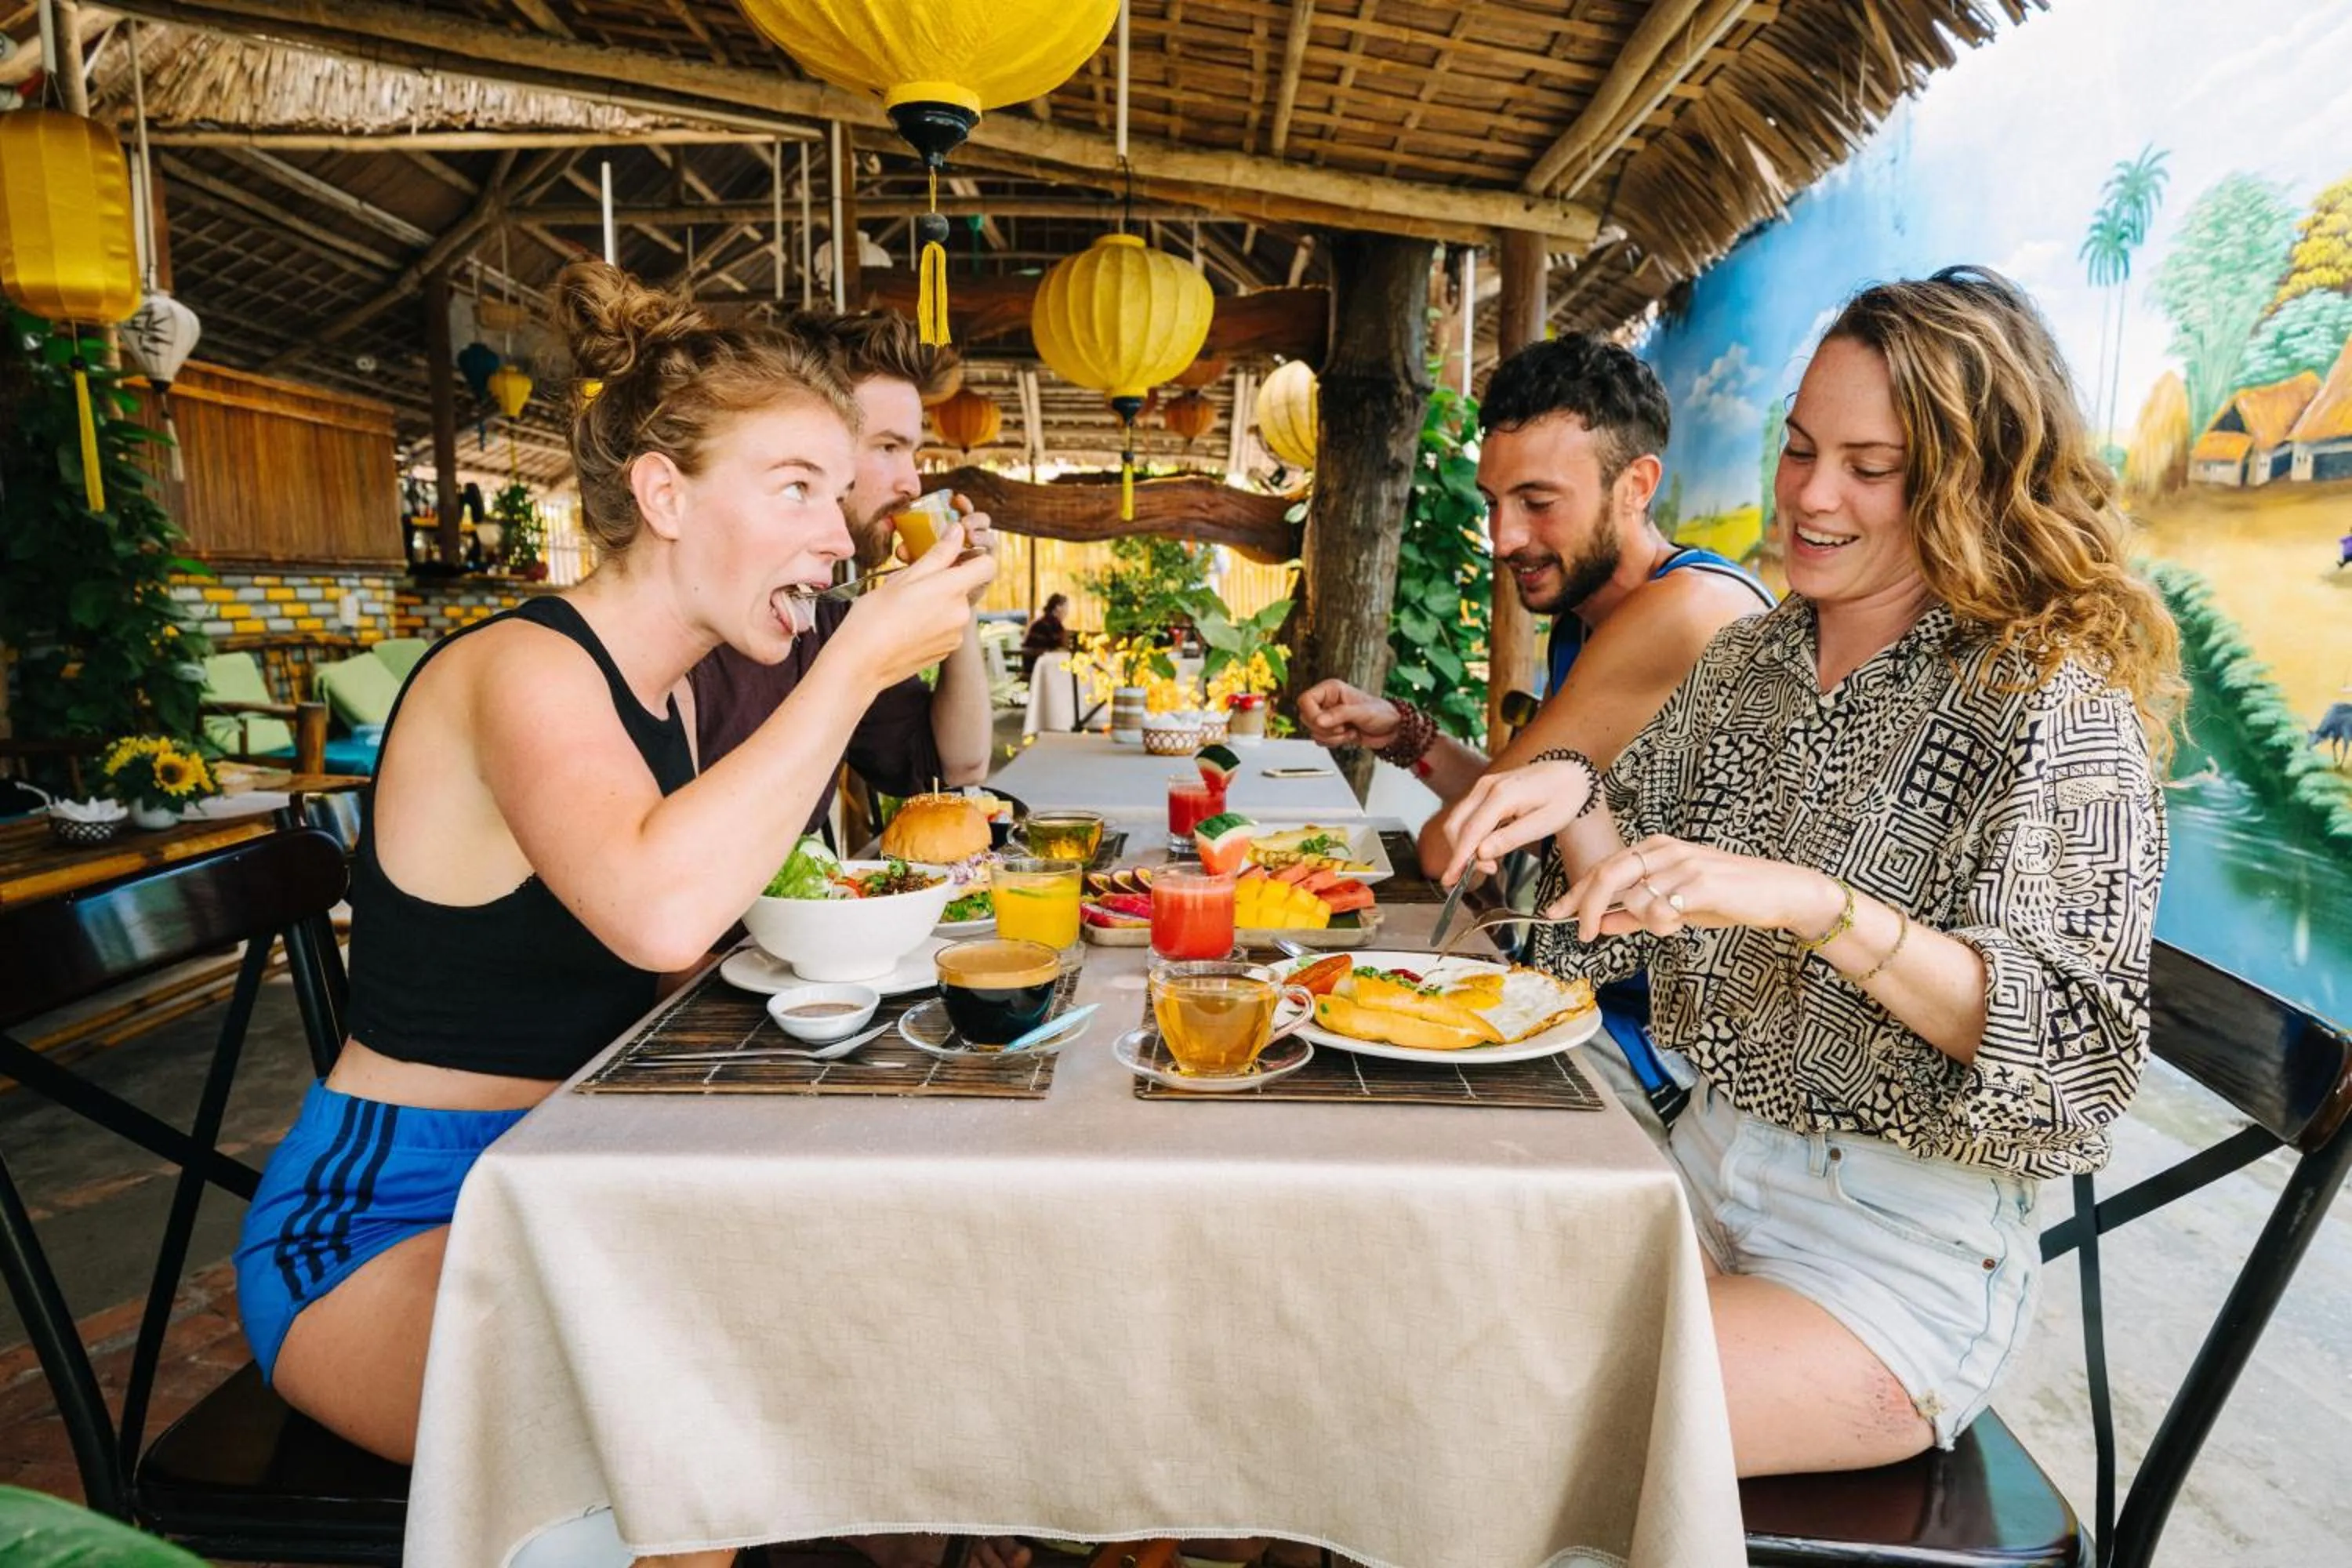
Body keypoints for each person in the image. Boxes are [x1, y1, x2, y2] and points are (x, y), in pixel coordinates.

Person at [233, 263, 1022, 1568]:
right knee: (693, 1424)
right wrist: (857, 662)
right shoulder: (520, 671)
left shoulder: (660, 699)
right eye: (797, 491)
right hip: (391, 1228)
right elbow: (662, 917)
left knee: (892, 1316)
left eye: (840, 495)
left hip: (575, 1188)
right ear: (664, 495)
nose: (841, 538)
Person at [1441, 266, 2179, 1476]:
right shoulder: (1758, 662)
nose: (1810, 497)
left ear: (1971, 480)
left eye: (1868, 467)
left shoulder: (2051, 702)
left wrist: (1816, 905)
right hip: (1700, 1163)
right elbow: (1625, 911)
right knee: (1405, 1287)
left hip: (1893, 1260)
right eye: (1798, 449)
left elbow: (2074, 1065)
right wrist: (1572, 793)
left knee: (1497, 1405)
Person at [1294, 335, 1771, 877]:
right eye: (1494, 503)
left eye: (1538, 503)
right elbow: (1528, 816)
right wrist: (1403, 735)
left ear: (1636, 485)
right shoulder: (1582, 613)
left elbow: (1455, 843)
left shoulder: (1685, 608)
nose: (1504, 539)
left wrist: (1459, 831)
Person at [688, 310, 996, 829]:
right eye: (888, 447)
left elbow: (955, 766)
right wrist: (855, 663)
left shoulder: (822, 616)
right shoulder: (684, 634)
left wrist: (958, 602)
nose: (912, 485)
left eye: (912, 452)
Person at [1022, 592, 1070, 678]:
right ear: (1058, 607)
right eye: (1066, 607)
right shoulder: (1053, 624)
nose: (1067, 611)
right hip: (1040, 667)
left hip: (1031, 666)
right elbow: (1061, 648)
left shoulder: (1042, 622)